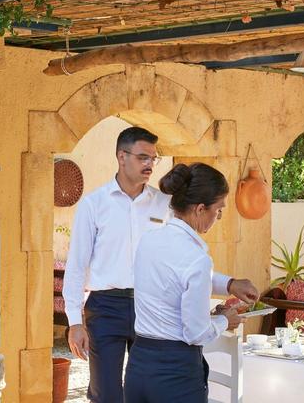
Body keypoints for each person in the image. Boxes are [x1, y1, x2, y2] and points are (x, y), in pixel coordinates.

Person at [64, 127, 258, 403]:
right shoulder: (93, 205)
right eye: (143, 157)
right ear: (122, 156)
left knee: (144, 383)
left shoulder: (166, 204)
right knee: (106, 394)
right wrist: (74, 322)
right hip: (106, 306)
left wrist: (228, 283)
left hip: (152, 304)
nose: (149, 165)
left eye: (153, 159)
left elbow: (183, 265)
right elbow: (76, 266)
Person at [123, 162, 256, 403]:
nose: (218, 217)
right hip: (176, 374)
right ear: (200, 209)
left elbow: (174, 278)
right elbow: (196, 333)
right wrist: (225, 320)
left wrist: (230, 284)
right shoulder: (197, 259)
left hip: (138, 366)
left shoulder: (148, 240)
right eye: (218, 211)